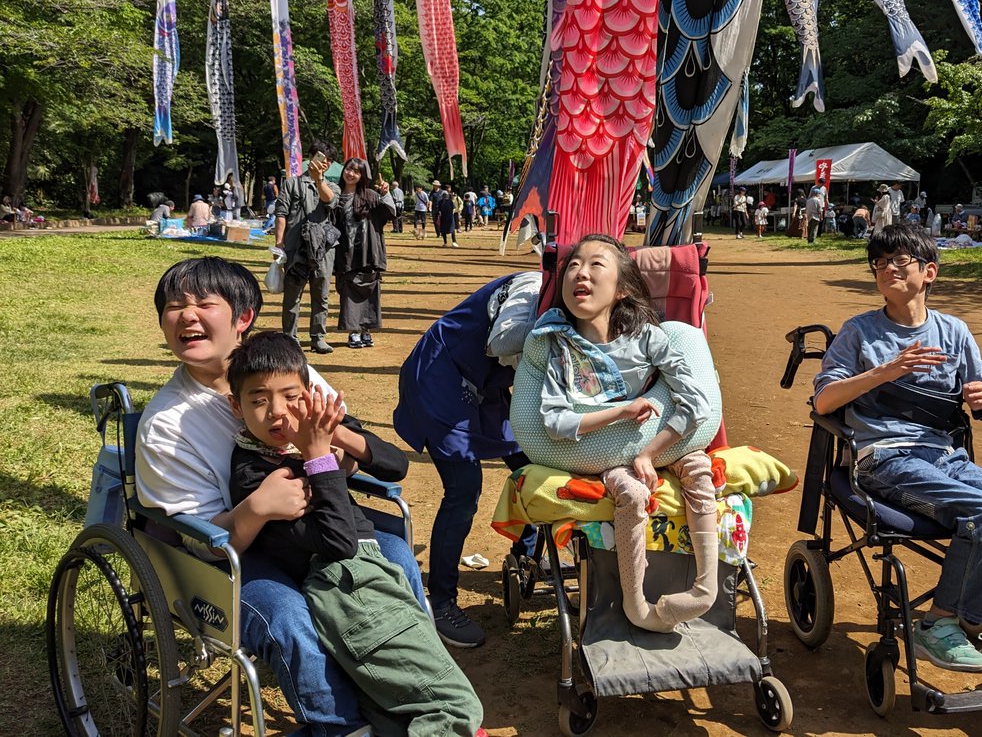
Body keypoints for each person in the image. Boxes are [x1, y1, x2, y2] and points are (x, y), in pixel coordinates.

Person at [135, 257, 425, 734]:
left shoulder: (291, 372)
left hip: (319, 533)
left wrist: (335, 444)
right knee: (287, 614)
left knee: (395, 553)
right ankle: (342, 727)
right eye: (173, 307)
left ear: (242, 318)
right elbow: (197, 540)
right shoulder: (168, 424)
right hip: (233, 560)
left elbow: (349, 449)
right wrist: (256, 508)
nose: (186, 316)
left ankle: (410, 690)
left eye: (204, 303)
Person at [813, 224, 982, 687]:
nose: (886, 268)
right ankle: (938, 624)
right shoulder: (859, 332)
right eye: (879, 262)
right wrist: (886, 371)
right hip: (883, 458)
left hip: (945, 458)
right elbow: (824, 402)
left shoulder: (954, 331)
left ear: (929, 272)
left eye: (898, 260)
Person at [227, 332, 485, 736]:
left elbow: (396, 465)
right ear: (236, 406)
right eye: (259, 400)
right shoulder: (256, 472)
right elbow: (338, 543)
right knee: (455, 708)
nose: (278, 412)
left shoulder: (315, 429)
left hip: (369, 576)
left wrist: (335, 435)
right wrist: (317, 458)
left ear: (310, 393)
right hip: (346, 588)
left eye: (291, 395)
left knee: (394, 706)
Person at [535, 235, 715, 633]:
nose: (580, 272)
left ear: (622, 289)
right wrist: (621, 413)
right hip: (603, 456)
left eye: (596, 264)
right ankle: (636, 607)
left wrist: (649, 451)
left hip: (660, 443)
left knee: (700, 468)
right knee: (631, 494)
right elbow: (553, 420)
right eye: (573, 265)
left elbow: (696, 402)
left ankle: (705, 591)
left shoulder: (648, 337)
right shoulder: (560, 348)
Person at [394, 272, 542, 647]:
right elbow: (504, 340)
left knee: (534, 465)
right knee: (464, 488)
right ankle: (441, 604)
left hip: (486, 382)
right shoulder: (531, 289)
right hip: (441, 377)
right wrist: (554, 335)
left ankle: (525, 562)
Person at [275, 153, 339, 354]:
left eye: (328, 161)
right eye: (320, 158)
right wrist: (279, 243)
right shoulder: (291, 184)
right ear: (310, 159)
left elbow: (330, 201)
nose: (324, 163)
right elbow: (281, 214)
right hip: (295, 248)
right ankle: (290, 338)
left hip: (323, 249)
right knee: (293, 294)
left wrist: (319, 179)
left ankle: (318, 337)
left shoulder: (332, 185)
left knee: (321, 293)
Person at [334, 158, 395, 350]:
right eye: (348, 169)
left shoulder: (370, 196)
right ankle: (354, 331)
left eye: (356, 171)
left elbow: (391, 213)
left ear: (362, 176)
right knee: (348, 291)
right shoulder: (335, 195)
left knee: (370, 289)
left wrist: (386, 194)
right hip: (346, 251)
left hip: (369, 250)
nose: (350, 174)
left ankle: (366, 328)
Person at [438, 184, 459, 248]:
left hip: (446, 217)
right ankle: (450, 242)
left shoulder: (445, 201)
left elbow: (439, 211)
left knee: (448, 230)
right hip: (447, 217)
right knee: (448, 230)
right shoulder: (446, 201)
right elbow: (453, 209)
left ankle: (449, 242)